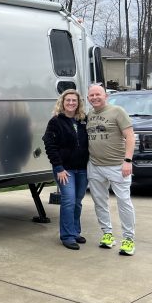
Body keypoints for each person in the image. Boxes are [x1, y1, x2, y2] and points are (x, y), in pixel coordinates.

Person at [86, 84, 137, 256]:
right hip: (95, 165)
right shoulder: (89, 115)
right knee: (99, 201)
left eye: (98, 94)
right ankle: (107, 234)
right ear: (88, 98)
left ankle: (128, 239)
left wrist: (128, 160)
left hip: (117, 166)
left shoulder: (117, 111)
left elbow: (130, 136)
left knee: (124, 201)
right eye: (91, 95)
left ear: (105, 96)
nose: (95, 97)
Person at [42, 89, 89, 250]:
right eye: (68, 100)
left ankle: (75, 231)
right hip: (64, 169)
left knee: (77, 201)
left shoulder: (83, 120)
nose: (71, 103)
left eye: (74, 100)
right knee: (68, 200)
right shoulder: (55, 121)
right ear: (62, 102)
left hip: (82, 169)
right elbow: (49, 145)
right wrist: (58, 167)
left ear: (78, 103)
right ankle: (67, 236)